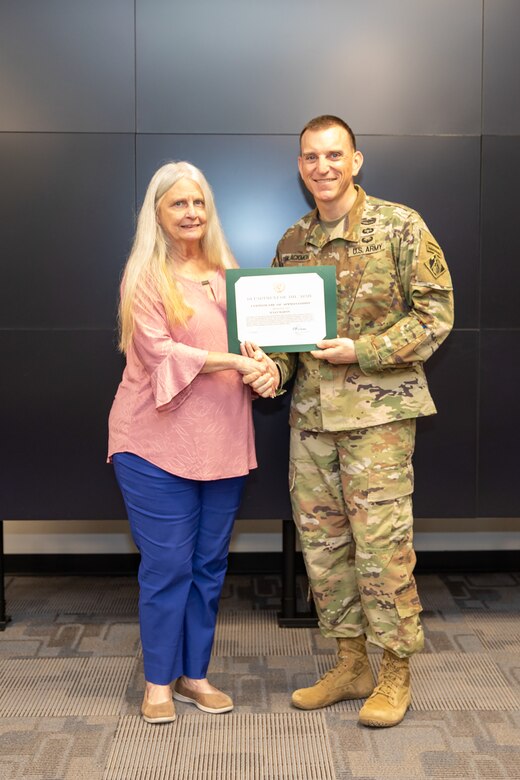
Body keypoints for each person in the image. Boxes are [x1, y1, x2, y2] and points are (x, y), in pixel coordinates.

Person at [243, 115, 454, 728]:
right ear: (300, 165)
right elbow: (283, 343)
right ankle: (350, 662)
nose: (323, 167)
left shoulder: (400, 225)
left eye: (334, 155)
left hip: (377, 420)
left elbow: (436, 315)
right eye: (311, 157)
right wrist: (271, 374)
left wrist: (363, 351)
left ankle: (394, 672)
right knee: (325, 546)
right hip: (310, 421)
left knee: (382, 547)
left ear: (356, 160)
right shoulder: (291, 242)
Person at [108, 161, 276, 724]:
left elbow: (256, 347)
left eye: (199, 202)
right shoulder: (145, 277)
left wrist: (267, 370)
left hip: (223, 442)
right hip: (154, 446)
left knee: (209, 566)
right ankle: (158, 681)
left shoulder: (230, 273)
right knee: (167, 567)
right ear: (157, 212)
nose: (191, 213)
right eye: (178, 203)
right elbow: (161, 355)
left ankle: (194, 675)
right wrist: (233, 360)